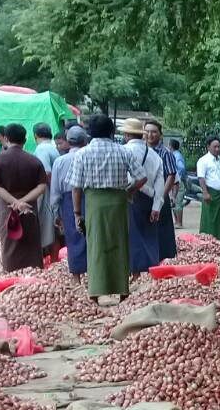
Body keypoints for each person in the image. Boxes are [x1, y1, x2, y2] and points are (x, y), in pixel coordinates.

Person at [67, 114, 142, 300]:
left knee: (96, 245)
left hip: (94, 204)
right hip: (119, 202)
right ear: (111, 131)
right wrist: (129, 192)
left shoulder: (82, 154)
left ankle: (95, 291)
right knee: (120, 244)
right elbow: (142, 177)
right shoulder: (124, 152)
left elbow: (76, 187)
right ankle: (122, 290)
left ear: (89, 133)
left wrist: (77, 213)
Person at [0, 124, 48, 272]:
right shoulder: (34, 160)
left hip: (7, 206)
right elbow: (42, 187)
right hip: (29, 207)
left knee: (9, 240)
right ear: (25, 139)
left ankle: (10, 272)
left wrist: (15, 202)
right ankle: (33, 271)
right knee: (31, 239)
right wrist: (23, 202)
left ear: (6, 138)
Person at [118, 117, 166, 276]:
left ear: (126, 135)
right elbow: (161, 182)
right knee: (149, 236)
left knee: (131, 236)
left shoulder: (123, 151)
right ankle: (150, 270)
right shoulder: (155, 156)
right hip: (150, 198)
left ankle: (134, 272)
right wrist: (156, 207)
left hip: (130, 195)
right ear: (141, 135)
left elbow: (125, 177)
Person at [51, 126, 89, 280]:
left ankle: (76, 277)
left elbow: (55, 190)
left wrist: (55, 213)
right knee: (92, 237)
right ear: (85, 140)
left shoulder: (60, 162)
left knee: (73, 237)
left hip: (68, 201)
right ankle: (94, 274)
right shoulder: (89, 157)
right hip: (90, 198)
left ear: (68, 141)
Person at [144, 120, 179, 259]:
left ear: (160, 135)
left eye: (154, 132)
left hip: (159, 196)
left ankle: (162, 259)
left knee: (162, 230)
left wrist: (162, 196)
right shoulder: (142, 150)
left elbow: (171, 175)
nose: (150, 135)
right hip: (144, 195)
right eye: (147, 131)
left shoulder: (165, 153)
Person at [32, 123, 60, 259]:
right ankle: (54, 259)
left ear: (35, 135)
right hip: (53, 189)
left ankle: (52, 260)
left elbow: (47, 172)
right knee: (53, 227)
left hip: (48, 191)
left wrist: (53, 191)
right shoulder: (53, 147)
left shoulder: (42, 149)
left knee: (48, 227)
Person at [197, 138, 220, 242]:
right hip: (211, 194)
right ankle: (209, 242)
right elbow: (201, 177)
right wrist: (205, 192)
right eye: (215, 147)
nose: (217, 149)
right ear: (208, 147)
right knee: (211, 220)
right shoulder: (203, 160)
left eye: (219, 146)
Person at [169, 138, 188, 227]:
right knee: (173, 201)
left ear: (171, 146)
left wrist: (178, 178)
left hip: (177, 182)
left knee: (178, 202)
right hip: (174, 181)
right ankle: (176, 221)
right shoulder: (175, 155)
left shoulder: (177, 156)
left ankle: (179, 222)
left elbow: (181, 168)